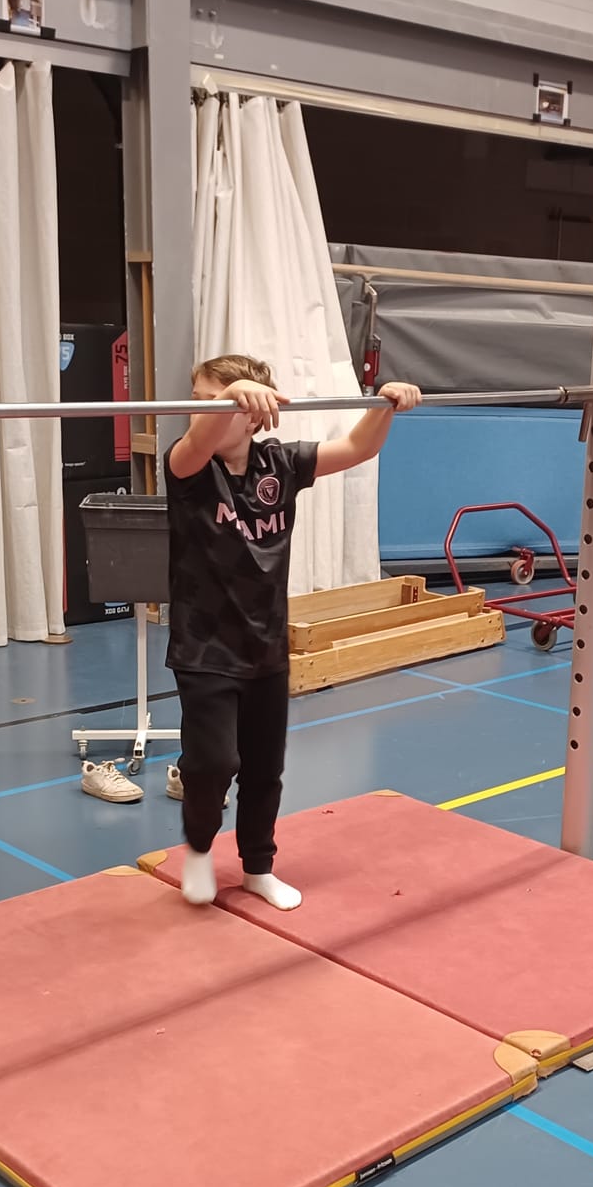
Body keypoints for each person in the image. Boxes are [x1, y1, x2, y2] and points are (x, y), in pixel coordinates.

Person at [164, 354, 421, 910]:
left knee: (265, 769)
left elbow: (358, 448)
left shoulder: (279, 463)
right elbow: (197, 440)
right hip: (204, 649)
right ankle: (200, 850)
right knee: (213, 764)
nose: (202, 412)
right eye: (199, 401)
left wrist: (386, 404)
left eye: (221, 403)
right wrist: (229, 395)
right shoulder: (188, 468)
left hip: (266, 646)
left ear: (256, 415)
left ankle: (258, 868)